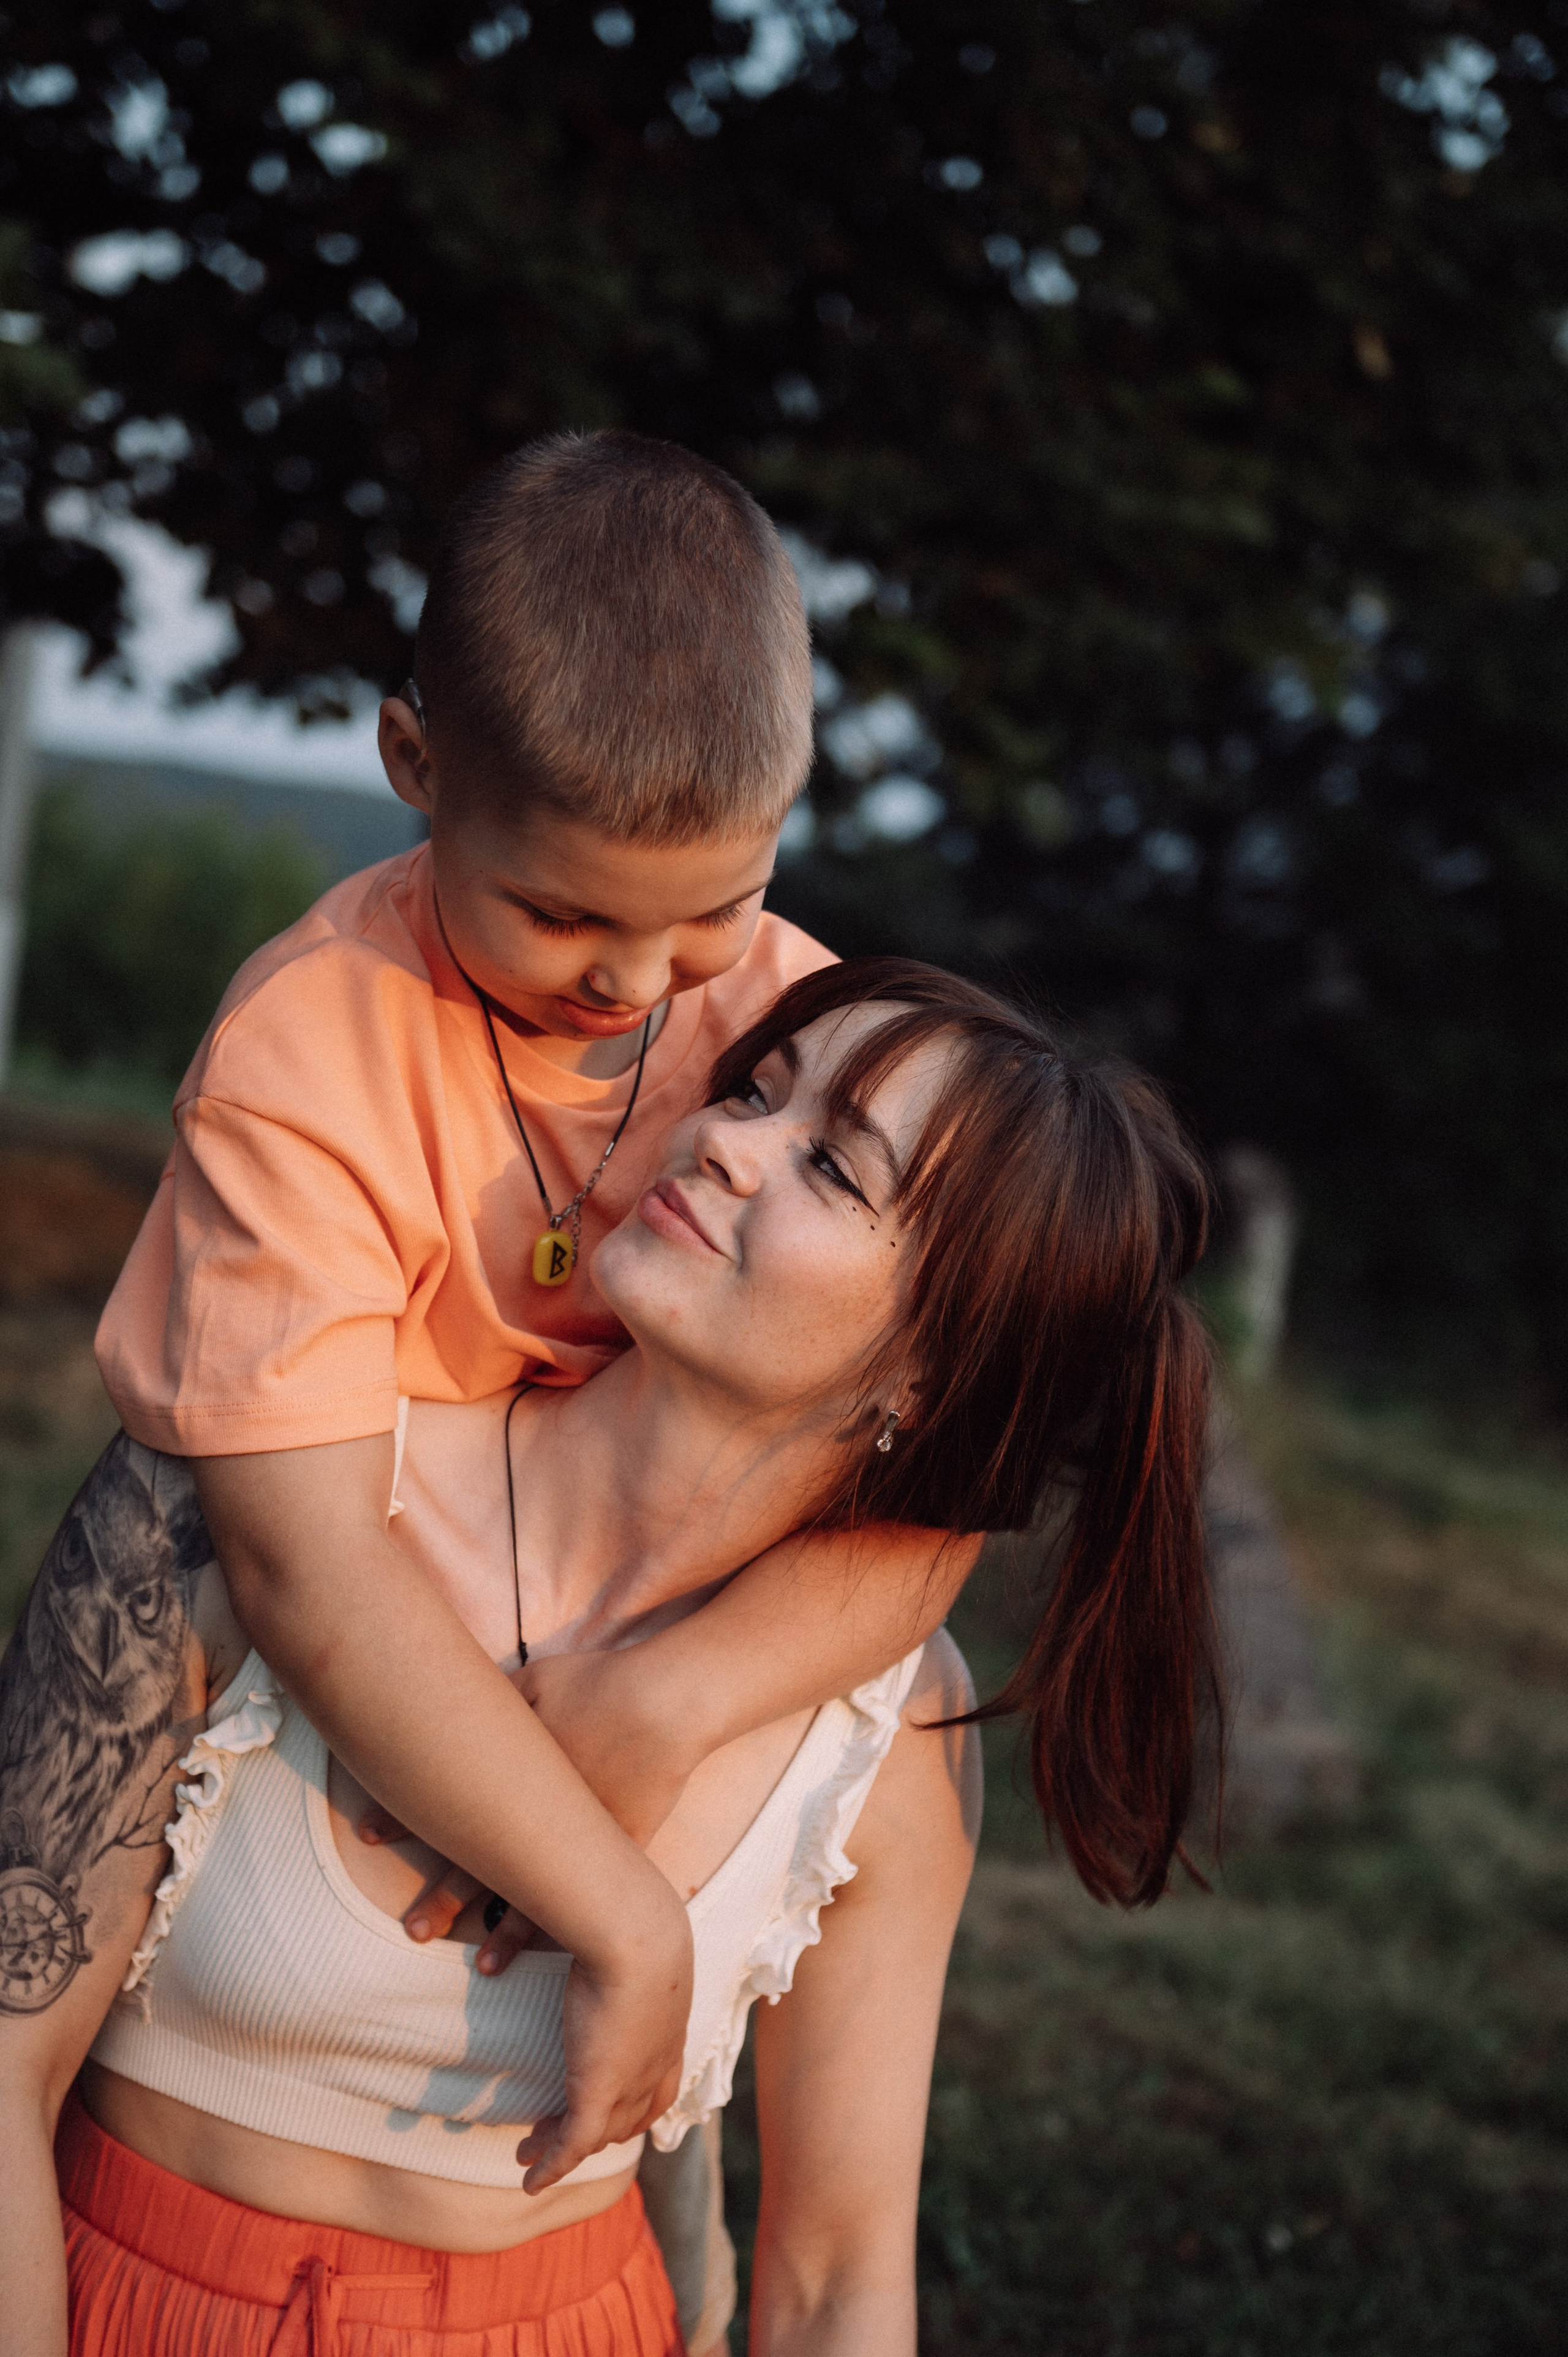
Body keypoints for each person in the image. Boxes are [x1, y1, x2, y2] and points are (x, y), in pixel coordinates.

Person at [0, 958, 1216, 2357]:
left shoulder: (886, 1731)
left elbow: (835, 2280)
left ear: (926, 1373)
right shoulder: (256, 1495)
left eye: (829, 1165)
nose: (721, 1140)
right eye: (752, 1089)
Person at [88, 431, 981, 2328]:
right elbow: (309, 1564)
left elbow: (935, 1496)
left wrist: (675, 1699)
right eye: (567, 916)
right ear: (417, 769)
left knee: (669, 2231)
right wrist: (609, 1895)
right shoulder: (309, 1057)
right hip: (397, 1625)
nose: (641, 979)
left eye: (710, 912)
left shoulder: (785, 1021)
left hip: (642, 1606)